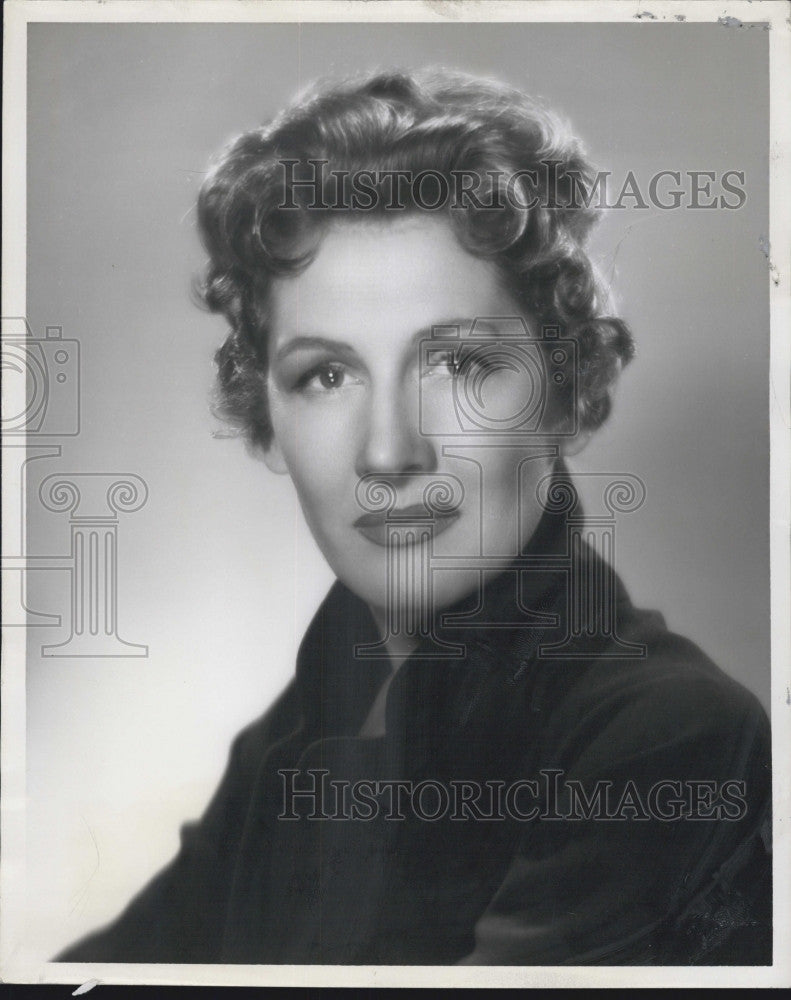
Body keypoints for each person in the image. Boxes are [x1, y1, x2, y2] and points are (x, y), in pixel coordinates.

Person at [58, 68, 771, 966]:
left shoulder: (665, 735)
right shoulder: (294, 741)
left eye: (461, 365)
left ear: (567, 392)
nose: (389, 451)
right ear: (267, 417)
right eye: (327, 374)